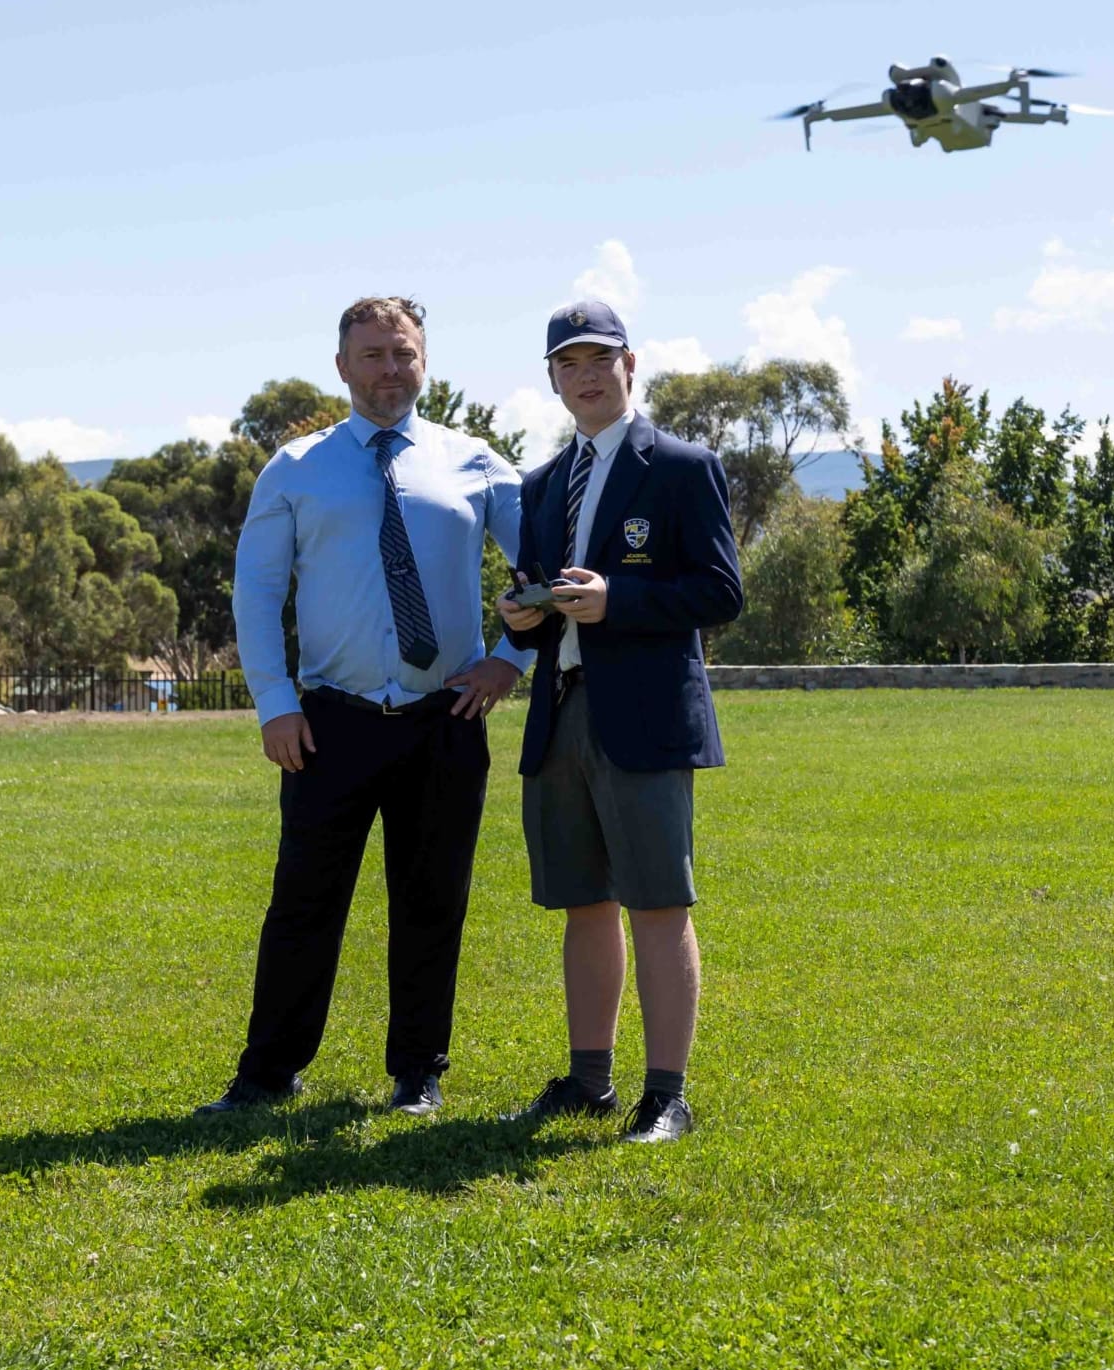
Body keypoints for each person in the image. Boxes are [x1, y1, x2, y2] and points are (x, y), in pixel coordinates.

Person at [199, 297, 529, 1118]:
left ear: (426, 361)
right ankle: (267, 1073)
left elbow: (546, 573)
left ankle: (419, 1073)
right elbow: (257, 593)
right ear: (342, 365)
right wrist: (275, 703)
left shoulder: (476, 464)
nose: (390, 368)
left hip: (445, 720)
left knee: (432, 902)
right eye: (373, 354)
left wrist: (510, 659)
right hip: (327, 724)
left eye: (403, 352)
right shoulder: (295, 469)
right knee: (302, 904)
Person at [496, 299, 742, 1144]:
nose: (587, 376)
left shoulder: (681, 466)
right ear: (553, 380)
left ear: (630, 365)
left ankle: (666, 1095)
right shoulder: (541, 484)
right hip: (561, 712)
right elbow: (541, 598)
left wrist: (618, 600)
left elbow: (720, 591)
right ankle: (588, 1081)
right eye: (568, 363)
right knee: (584, 902)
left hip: (644, 718)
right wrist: (520, 615)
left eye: (600, 358)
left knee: (659, 903)